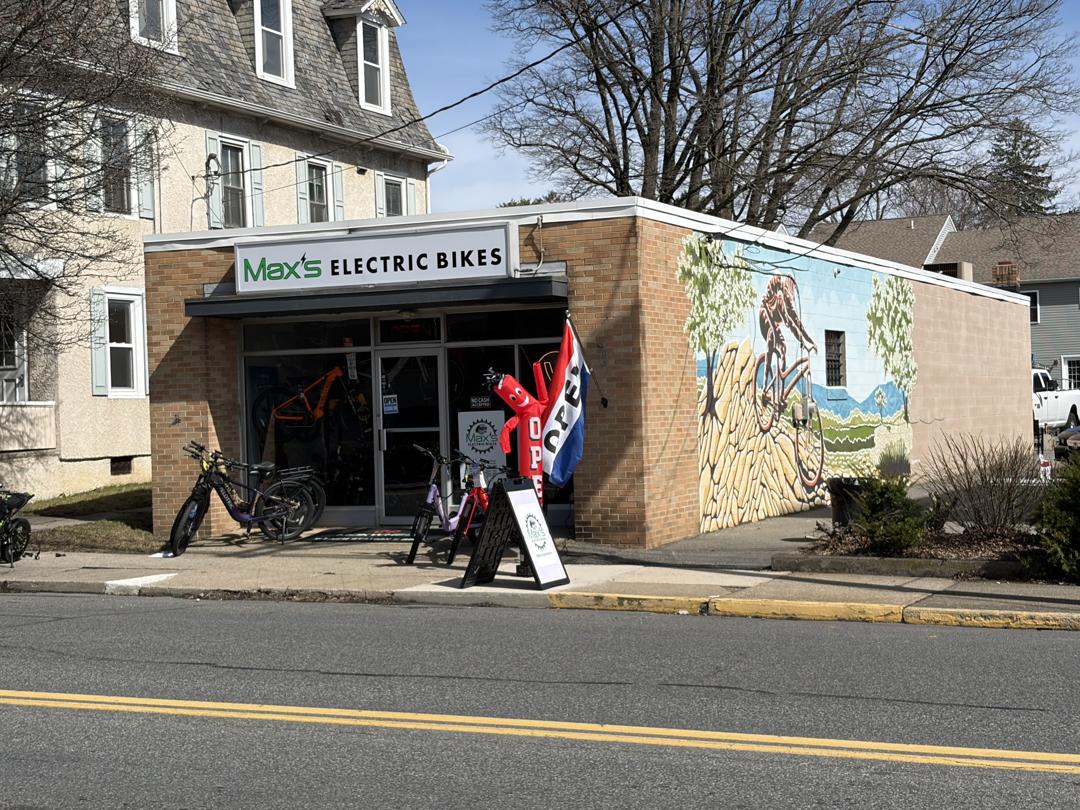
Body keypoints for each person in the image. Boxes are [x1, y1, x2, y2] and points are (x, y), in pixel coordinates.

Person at [759, 274, 816, 372]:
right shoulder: (779, 294)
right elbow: (789, 323)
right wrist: (803, 341)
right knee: (773, 338)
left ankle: (781, 376)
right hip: (765, 318)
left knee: (783, 349)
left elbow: (796, 322)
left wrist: (809, 341)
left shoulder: (786, 301)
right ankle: (767, 376)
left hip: (774, 322)